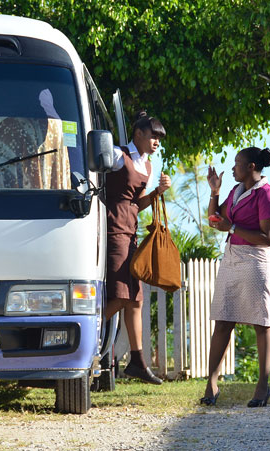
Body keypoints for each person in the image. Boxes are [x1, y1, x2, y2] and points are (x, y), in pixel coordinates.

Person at [201, 147, 270, 407]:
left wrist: (232, 227)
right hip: (232, 257)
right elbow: (215, 220)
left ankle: (262, 386)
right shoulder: (235, 192)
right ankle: (211, 384)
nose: (233, 167)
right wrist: (215, 192)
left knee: (261, 322)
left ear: (251, 167)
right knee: (223, 320)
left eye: (237, 163)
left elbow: (268, 238)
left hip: (256, 260)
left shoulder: (268, 194)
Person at [104, 111, 171, 385]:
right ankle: (82, 333)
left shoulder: (148, 165)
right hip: (112, 229)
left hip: (130, 232)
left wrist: (157, 192)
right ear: (139, 134)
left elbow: (138, 202)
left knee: (136, 298)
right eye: (153, 136)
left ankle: (138, 361)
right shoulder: (119, 156)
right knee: (121, 296)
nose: (156, 142)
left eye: (159, 139)